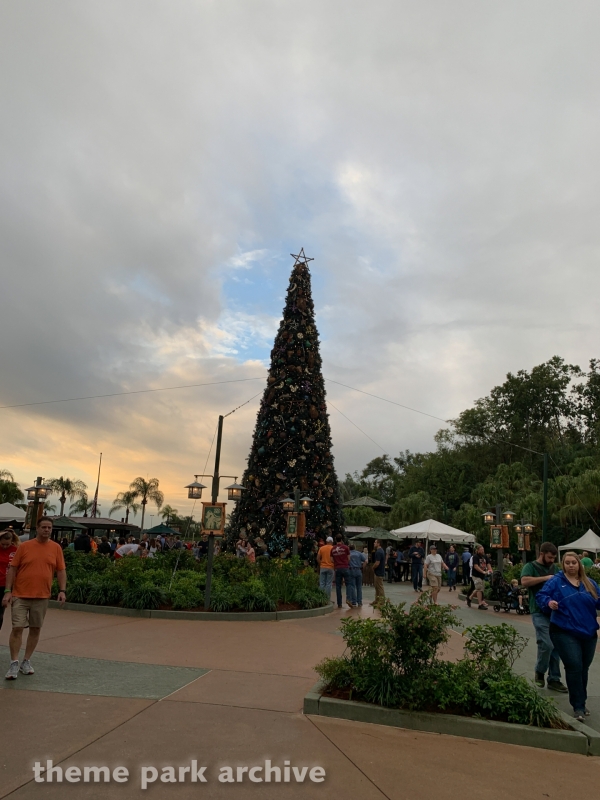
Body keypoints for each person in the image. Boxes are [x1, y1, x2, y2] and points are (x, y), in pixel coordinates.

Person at [537, 552, 600, 721]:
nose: (571, 565)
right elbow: (541, 596)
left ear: (580, 565)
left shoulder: (590, 584)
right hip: (564, 631)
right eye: (567, 563)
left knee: (583, 668)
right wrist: (549, 603)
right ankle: (578, 706)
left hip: (588, 632)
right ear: (563, 565)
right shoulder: (556, 582)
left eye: (574, 562)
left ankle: (582, 701)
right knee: (574, 666)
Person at [3, 518, 66, 680]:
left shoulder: (56, 548)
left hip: (42, 596)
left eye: (49, 527)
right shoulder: (25, 547)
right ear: (37, 529)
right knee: (17, 628)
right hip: (20, 595)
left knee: (35, 628)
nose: (46, 530)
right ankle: (14, 662)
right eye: (43, 527)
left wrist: (62, 590)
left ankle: (26, 660)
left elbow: (60, 570)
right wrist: (8, 590)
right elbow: (13, 569)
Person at [520, 541, 567, 692]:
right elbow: (525, 581)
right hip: (538, 610)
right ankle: (540, 671)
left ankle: (554, 679)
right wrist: (546, 578)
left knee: (556, 646)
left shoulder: (555, 568)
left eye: (554, 558)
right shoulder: (531, 566)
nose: (552, 560)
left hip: (555, 611)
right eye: (549, 557)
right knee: (546, 643)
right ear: (542, 554)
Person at [0, 529, 19, 631]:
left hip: (5, 585)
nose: (5, 547)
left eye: (7, 544)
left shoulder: (15, 550)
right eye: (3, 544)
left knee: (0, 612)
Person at [331, 534, 352, 609]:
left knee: (338, 586)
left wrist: (336, 562)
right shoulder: (346, 548)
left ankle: (339, 603)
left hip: (337, 568)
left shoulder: (333, 549)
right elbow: (349, 558)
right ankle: (348, 599)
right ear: (342, 539)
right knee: (348, 584)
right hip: (345, 567)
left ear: (335, 540)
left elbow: (331, 560)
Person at [467, 545, 489, 610]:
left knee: (479, 588)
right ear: (478, 550)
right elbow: (476, 566)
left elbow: (488, 564)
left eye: (483, 549)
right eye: (481, 550)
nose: (482, 551)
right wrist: (483, 572)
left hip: (482, 576)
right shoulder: (475, 557)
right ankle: (480, 604)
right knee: (479, 589)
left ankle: (469, 598)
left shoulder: (485, 556)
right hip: (476, 575)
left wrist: (490, 570)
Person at [347, 543, 367, 607]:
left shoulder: (348, 554)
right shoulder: (359, 553)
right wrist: (362, 567)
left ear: (349, 548)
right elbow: (365, 561)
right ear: (355, 547)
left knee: (352, 586)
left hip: (351, 570)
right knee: (359, 587)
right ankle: (360, 602)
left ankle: (354, 601)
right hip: (358, 570)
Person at [371, 538, 386, 607]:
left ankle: (382, 601)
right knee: (377, 587)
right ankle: (377, 600)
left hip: (379, 571)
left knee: (379, 587)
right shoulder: (380, 551)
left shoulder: (379, 552)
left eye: (375, 542)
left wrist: (373, 567)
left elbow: (377, 563)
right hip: (378, 571)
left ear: (378, 544)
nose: (374, 543)